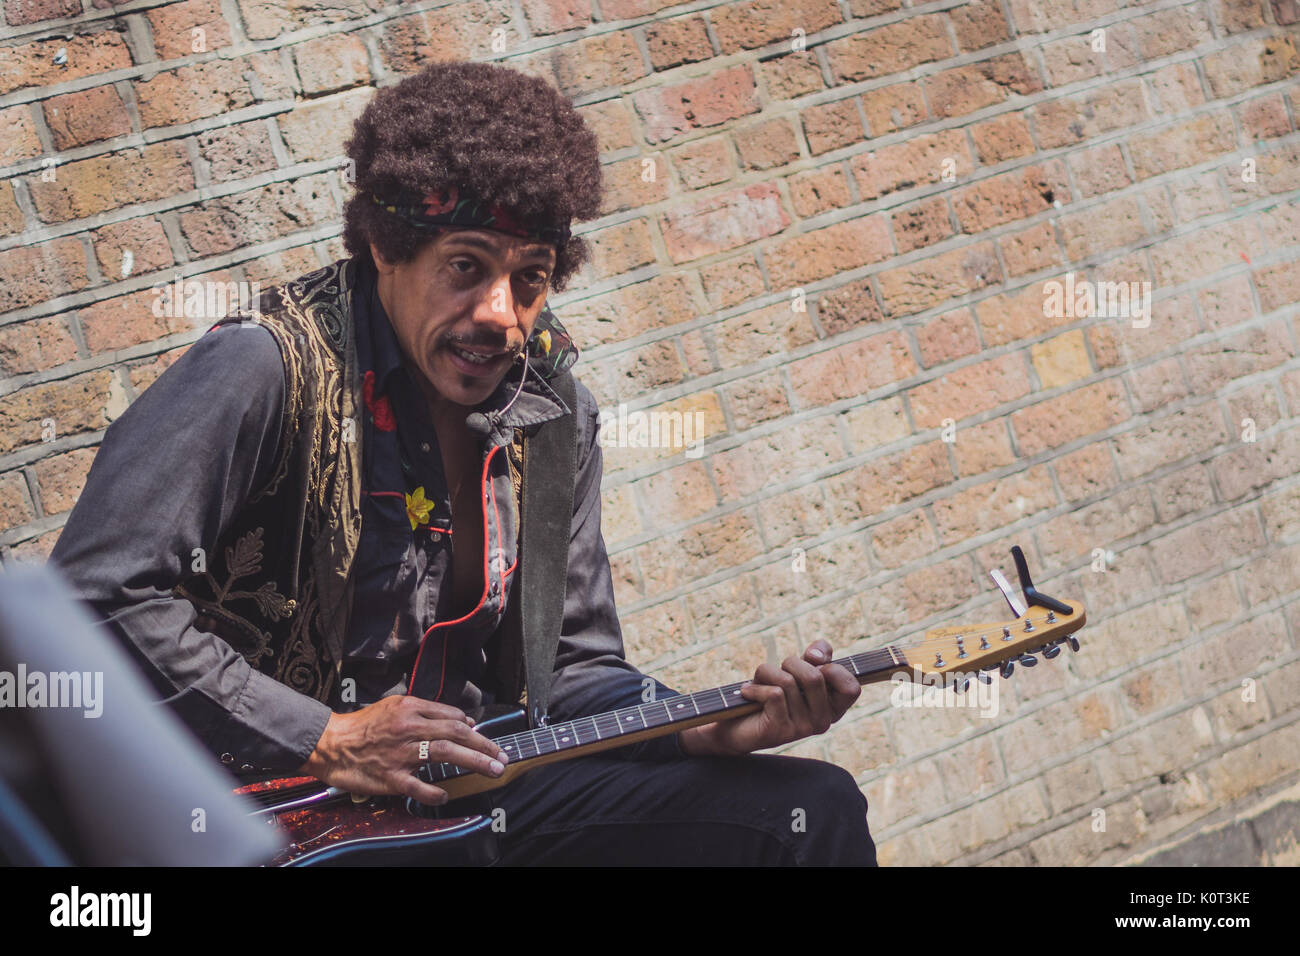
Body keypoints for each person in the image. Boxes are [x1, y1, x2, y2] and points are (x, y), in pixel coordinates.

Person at [47, 60, 877, 865]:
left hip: (461, 799)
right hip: (261, 815)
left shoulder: (552, 415)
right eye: (466, 268)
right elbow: (92, 593)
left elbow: (577, 671)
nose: (498, 315)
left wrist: (701, 729)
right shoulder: (263, 369)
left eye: (529, 280)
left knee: (807, 817)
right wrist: (324, 736)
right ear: (385, 247)